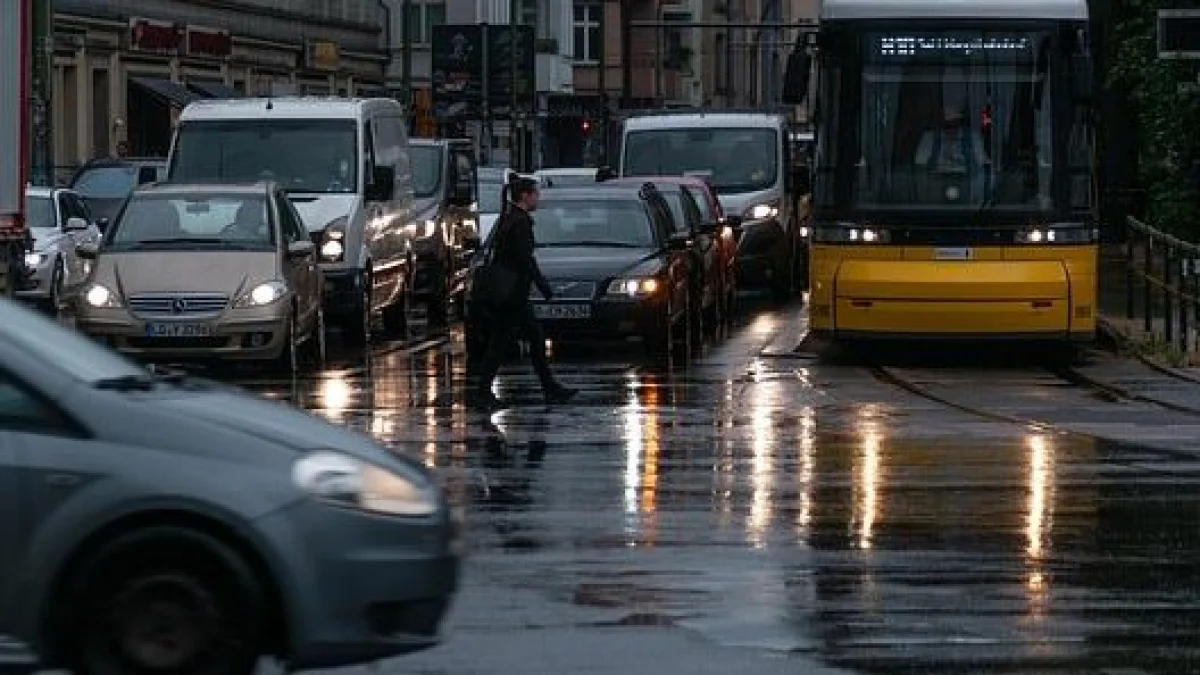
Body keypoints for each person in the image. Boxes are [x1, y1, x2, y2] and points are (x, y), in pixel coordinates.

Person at [472, 175, 578, 409]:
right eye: (535, 194)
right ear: (525, 196)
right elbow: (524, 259)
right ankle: (485, 392)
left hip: (511, 292)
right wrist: (543, 285)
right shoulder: (519, 222)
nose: (538, 199)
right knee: (504, 341)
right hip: (513, 293)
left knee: (528, 339)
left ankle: (550, 388)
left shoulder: (510, 218)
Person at [913, 107, 988, 172]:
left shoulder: (973, 138)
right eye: (947, 125)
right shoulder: (929, 138)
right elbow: (919, 163)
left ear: (959, 122)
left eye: (954, 123)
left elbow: (982, 163)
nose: (951, 129)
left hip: (966, 179)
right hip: (936, 179)